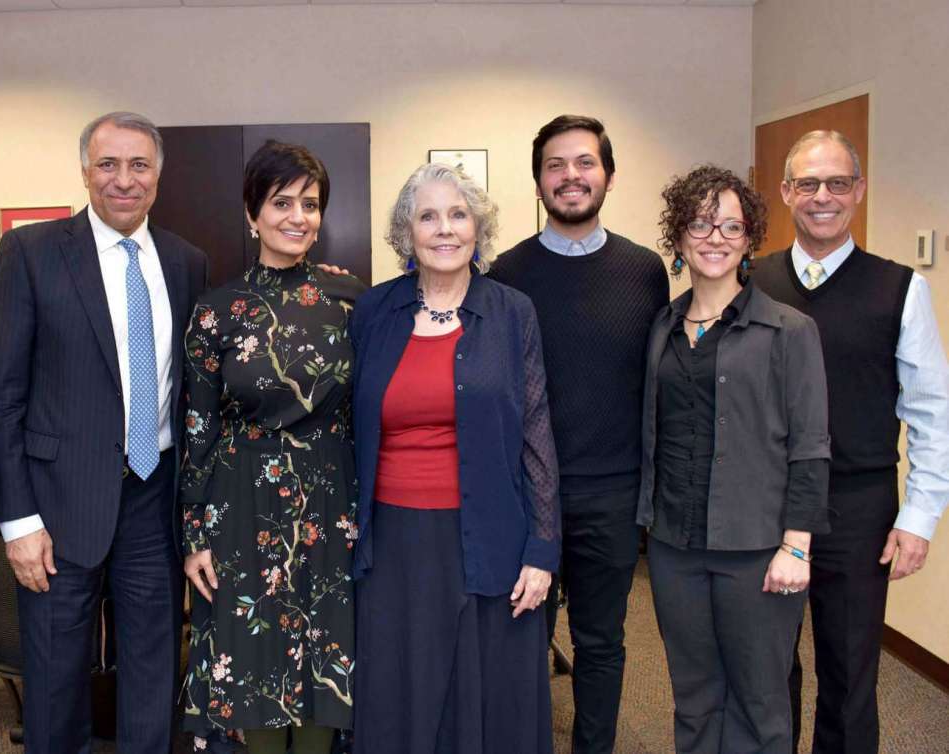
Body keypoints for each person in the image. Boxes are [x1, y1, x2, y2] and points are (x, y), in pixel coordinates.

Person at [0, 111, 208, 754]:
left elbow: (190, 391)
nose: (123, 180)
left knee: (154, 672)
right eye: (108, 164)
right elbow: (3, 397)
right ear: (85, 171)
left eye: (139, 165)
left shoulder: (186, 262)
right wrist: (17, 521)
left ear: (158, 176)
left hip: (153, 496)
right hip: (56, 505)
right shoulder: (31, 253)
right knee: (55, 679)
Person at [350, 162, 561, 754]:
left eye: (458, 215)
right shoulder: (372, 311)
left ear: (478, 228)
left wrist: (542, 549)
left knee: (487, 696)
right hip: (393, 544)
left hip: (492, 536)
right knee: (400, 689)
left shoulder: (513, 312)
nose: (445, 229)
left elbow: (537, 432)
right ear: (407, 233)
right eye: (428, 216)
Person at [751, 130, 949, 754]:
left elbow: (932, 413)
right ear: (786, 192)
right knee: (765, 672)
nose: (823, 197)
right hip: (764, 501)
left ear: (859, 190)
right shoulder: (748, 282)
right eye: (808, 184)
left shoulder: (901, 290)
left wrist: (918, 518)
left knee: (849, 679)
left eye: (838, 183)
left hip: (858, 509)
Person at [486, 114, 668, 753]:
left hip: (611, 495)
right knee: (520, 639)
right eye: (555, 165)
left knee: (601, 642)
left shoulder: (645, 271)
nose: (571, 176)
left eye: (585, 163)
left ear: (609, 176)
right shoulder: (506, 273)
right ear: (538, 181)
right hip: (525, 493)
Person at [178, 140, 364, 754]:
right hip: (242, 510)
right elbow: (199, 429)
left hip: (331, 507)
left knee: (325, 665)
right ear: (251, 213)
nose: (297, 217)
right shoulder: (216, 312)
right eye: (281, 202)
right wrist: (195, 535)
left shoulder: (351, 302)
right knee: (252, 669)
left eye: (310, 204)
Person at [640, 165, 831, 753]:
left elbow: (811, 446)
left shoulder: (789, 330)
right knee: (694, 697)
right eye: (700, 224)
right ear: (679, 236)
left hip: (757, 548)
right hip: (674, 544)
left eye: (731, 226)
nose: (715, 237)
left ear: (749, 240)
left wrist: (796, 546)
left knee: (759, 701)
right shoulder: (663, 326)